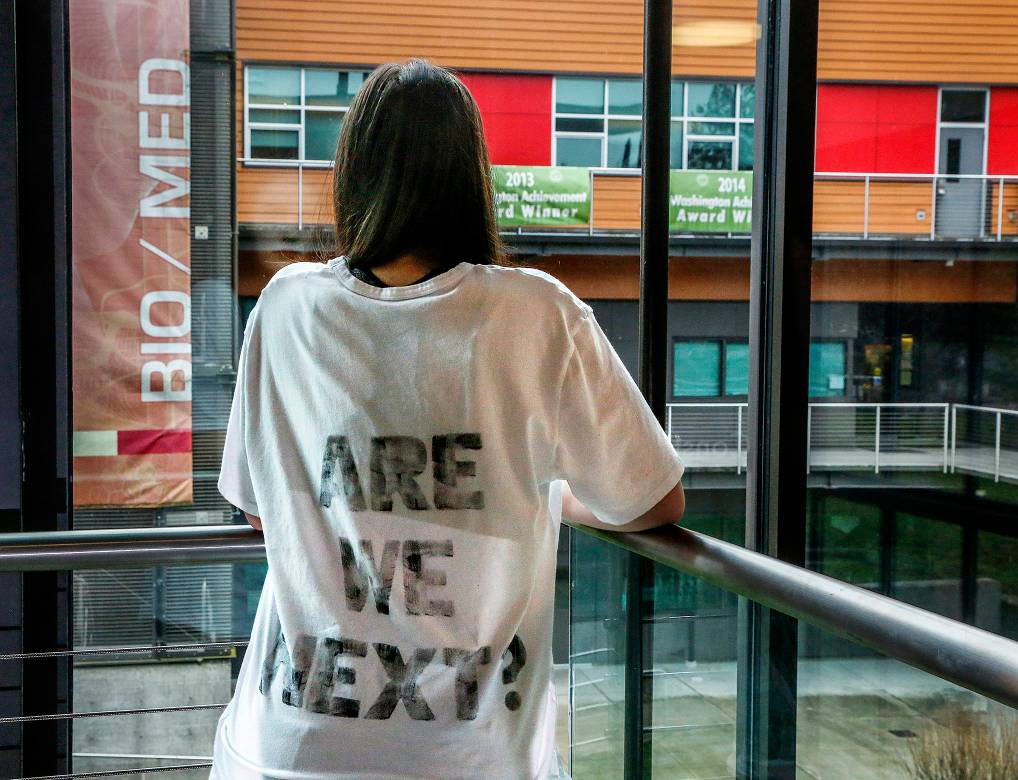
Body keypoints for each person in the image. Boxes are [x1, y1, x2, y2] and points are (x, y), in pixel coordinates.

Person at [210, 59, 685, 780]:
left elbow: (260, 506)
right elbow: (653, 501)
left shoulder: (284, 306)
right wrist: (531, 491)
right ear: (471, 175)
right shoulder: (536, 312)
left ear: (354, 174)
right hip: (470, 755)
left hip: (291, 744)